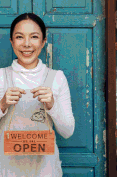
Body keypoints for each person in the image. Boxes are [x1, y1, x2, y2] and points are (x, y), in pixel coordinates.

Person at [0, 13, 75, 177]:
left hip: (46, 171)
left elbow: (68, 131)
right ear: (12, 41)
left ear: (43, 41)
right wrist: (2, 105)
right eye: (19, 37)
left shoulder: (56, 78)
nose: (27, 44)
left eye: (34, 37)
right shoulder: (1, 76)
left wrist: (52, 105)